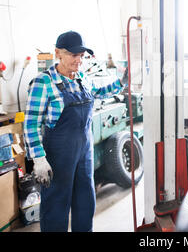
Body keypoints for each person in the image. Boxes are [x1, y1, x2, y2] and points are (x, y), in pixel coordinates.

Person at [23, 31, 128, 232]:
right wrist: (38, 159)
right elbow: (30, 124)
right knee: (56, 204)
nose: (79, 60)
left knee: (85, 200)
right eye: (73, 55)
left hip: (84, 152)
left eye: (82, 56)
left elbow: (98, 93)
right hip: (58, 154)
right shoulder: (43, 82)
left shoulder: (82, 78)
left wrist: (121, 82)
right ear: (58, 53)